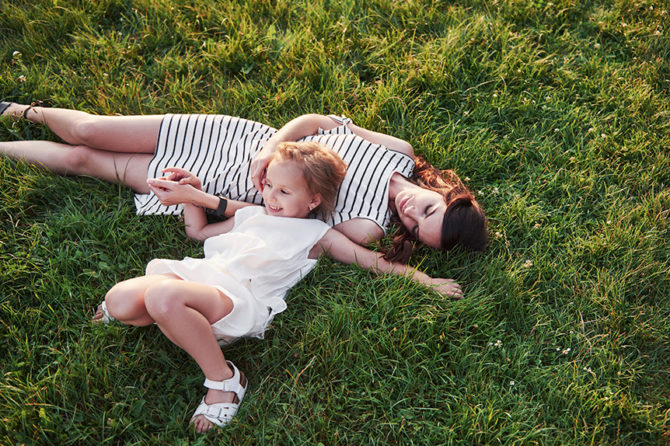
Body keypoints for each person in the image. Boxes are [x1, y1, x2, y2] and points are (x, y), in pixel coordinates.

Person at [92, 142, 454, 433]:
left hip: (235, 299)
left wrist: (427, 280)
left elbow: (373, 261)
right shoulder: (251, 213)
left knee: (160, 296)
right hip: (199, 277)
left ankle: (225, 380)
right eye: (268, 186)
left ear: (313, 201)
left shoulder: (316, 235)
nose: (271, 197)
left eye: (284, 191)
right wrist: (192, 194)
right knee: (119, 302)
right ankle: (176, 318)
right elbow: (198, 233)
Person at [0, 102, 486, 287]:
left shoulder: (367, 225)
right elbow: (316, 122)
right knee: (90, 128)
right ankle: (24, 111)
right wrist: (272, 146)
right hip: (234, 138)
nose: (409, 213)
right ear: (443, 192)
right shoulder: (399, 152)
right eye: (426, 209)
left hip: (215, 184)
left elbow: (274, 221)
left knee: (84, 159)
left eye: (417, 229)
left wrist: (201, 198)